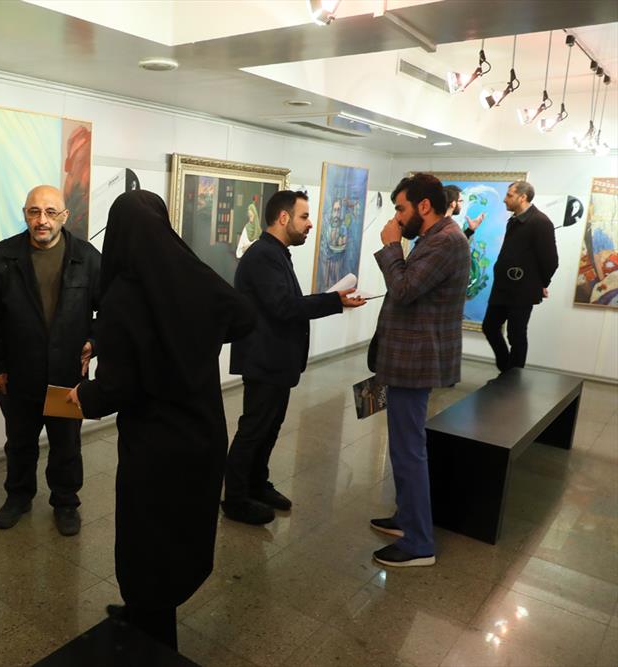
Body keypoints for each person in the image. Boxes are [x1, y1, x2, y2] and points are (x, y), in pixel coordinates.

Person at [67, 190, 256, 650]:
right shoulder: (193, 278)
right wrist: (197, 342)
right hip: (202, 435)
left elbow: (116, 388)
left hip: (154, 445)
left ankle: (152, 638)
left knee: (147, 538)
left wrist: (81, 397)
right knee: (179, 533)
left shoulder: (121, 297)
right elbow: (243, 316)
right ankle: (146, 613)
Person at [223, 190, 365, 525]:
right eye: (304, 217)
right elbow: (284, 306)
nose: (310, 224)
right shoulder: (263, 255)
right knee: (254, 429)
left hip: (275, 359)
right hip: (264, 358)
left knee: (269, 428)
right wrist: (334, 301)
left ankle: (257, 484)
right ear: (283, 217)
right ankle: (236, 499)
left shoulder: (276, 253)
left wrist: (332, 301)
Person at [0, 185, 101, 536]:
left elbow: (110, 310)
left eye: (50, 212)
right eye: (34, 211)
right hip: (18, 376)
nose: (42, 220)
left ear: (64, 216)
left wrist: (95, 341)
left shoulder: (87, 259)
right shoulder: (3, 258)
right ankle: (18, 497)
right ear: (25, 214)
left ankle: (65, 502)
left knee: (66, 444)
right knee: (19, 443)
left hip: (66, 376)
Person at [369, 173, 469, 567]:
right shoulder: (435, 237)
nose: (397, 217)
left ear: (423, 206)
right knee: (402, 447)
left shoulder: (446, 241)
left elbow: (404, 289)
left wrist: (391, 246)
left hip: (416, 361)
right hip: (408, 358)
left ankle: (418, 543)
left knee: (408, 450)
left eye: (401, 208)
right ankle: (407, 519)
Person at [481, 181, 558, 372]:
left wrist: (542, 283)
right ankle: (506, 369)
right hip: (503, 288)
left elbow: (550, 260)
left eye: (509, 195)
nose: (505, 199)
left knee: (516, 335)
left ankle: (513, 379)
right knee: (489, 327)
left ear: (523, 197)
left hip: (522, 289)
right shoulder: (514, 220)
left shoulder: (540, 222)